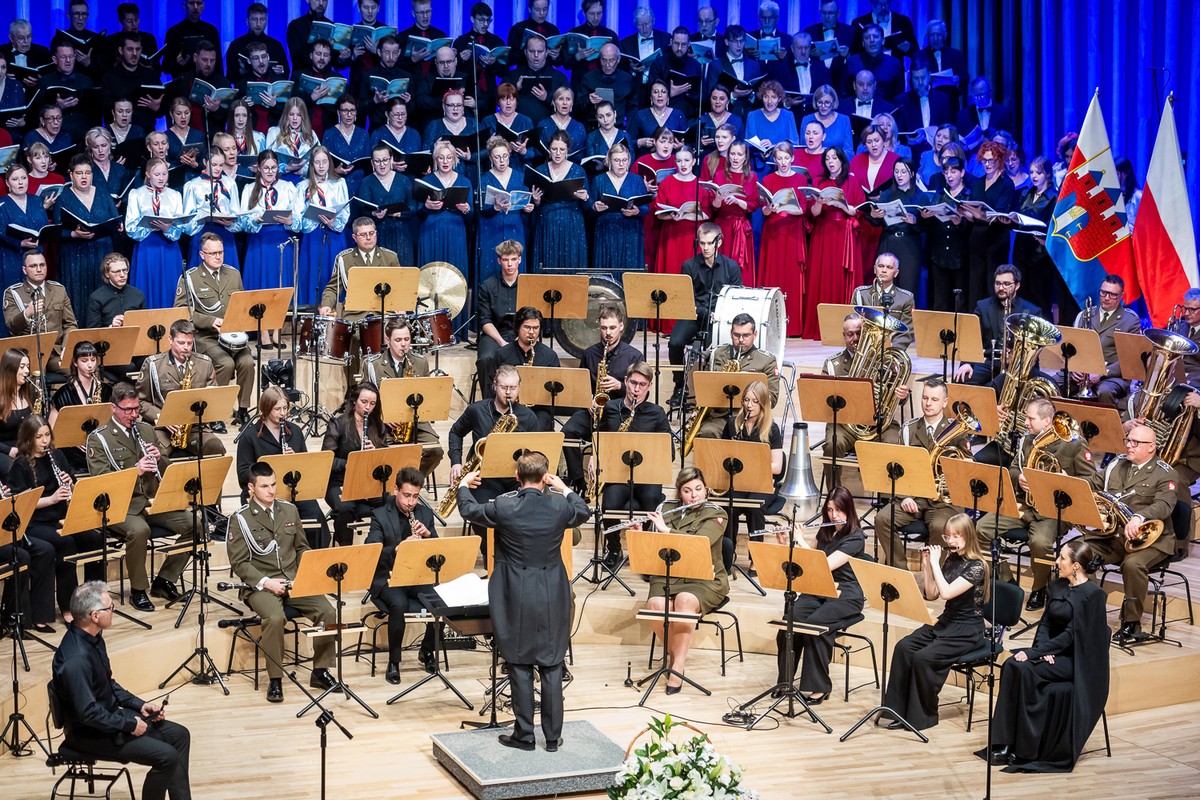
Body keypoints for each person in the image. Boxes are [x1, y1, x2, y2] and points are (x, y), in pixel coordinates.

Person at [456, 449, 587, 751]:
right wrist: (564, 488)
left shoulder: (504, 506)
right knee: (552, 663)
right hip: (552, 590)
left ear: (517, 476)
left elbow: (468, 511)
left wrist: (464, 484)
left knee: (519, 663)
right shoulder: (559, 505)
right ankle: (552, 738)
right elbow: (583, 511)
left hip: (515, 591)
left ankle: (525, 735)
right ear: (545, 478)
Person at [52, 581, 192, 800]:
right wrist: (129, 724)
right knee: (166, 756)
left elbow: (109, 684)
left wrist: (140, 705)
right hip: (90, 734)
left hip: (109, 720)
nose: (113, 611)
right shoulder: (76, 659)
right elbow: (87, 713)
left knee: (179, 735)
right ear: (94, 616)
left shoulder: (94, 638)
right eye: (110, 608)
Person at [984, 539, 1111, 772]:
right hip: (1053, 652)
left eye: (1062, 557)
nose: (1057, 561)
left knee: (1023, 666)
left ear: (1076, 566)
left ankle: (1024, 747)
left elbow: (1072, 636)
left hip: (1077, 661)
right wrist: (1042, 651)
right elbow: (1045, 624)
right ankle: (1004, 742)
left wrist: (1037, 653)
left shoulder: (1093, 595)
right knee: (1013, 665)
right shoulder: (1057, 586)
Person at [228, 463, 340, 703]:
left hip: (293, 580)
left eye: (274, 484)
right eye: (264, 486)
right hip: (260, 585)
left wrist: (304, 574)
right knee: (275, 618)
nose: (271, 491)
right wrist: (267, 582)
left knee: (328, 612)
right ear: (251, 487)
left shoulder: (289, 510)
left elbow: (301, 547)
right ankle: (275, 678)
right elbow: (239, 563)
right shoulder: (240, 519)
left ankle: (320, 671)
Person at [976, 398, 1100, 611]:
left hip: (1052, 511)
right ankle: (1006, 581)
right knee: (980, 529)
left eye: (1030, 418)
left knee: (1040, 542)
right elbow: (1014, 467)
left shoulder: (1074, 444)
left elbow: (1093, 480)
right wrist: (1019, 478)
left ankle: (1039, 588)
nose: (1025, 422)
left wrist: (1065, 479)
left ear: (1047, 421)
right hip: (1024, 504)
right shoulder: (1027, 439)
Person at [86, 382, 193, 612]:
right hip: (121, 506)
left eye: (136, 409)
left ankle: (165, 579)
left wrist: (159, 456)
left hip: (152, 501)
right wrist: (136, 470)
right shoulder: (100, 439)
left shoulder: (145, 429)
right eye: (128, 410)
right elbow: (101, 482)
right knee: (139, 530)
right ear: (113, 408)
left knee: (197, 524)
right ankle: (138, 590)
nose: (134, 415)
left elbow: (165, 467)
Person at [880, 513, 988, 731]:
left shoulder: (978, 566)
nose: (950, 542)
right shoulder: (951, 559)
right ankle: (897, 711)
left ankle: (922, 716)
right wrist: (928, 566)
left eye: (956, 536)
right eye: (947, 537)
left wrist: (936, 565)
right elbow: (931, 594)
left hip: (967, 629)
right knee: (904, 647)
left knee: (923, 657)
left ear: (968, 536)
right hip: (946, 622)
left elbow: (947, 593)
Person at [1085, 423, 1179, 643]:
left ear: (1151, 447)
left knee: (1132, 565)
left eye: (1136, 443)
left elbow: (1164, 505)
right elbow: (1094, 484)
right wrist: (1069, 481)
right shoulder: (1116, 465)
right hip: (1115, 536)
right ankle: (1089, 613)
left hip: (1152, 540)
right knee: (1078, 551)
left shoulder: (1165, 473)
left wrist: (1140, 517)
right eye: (1128, 440)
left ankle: (1131, 623)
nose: (1129, 445)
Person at [639, 467, 729, 694]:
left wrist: (666, 531)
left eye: (699, 489)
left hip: (704, 577)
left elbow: (700, 542)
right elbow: (653, 549)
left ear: (706, 490)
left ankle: (677, 666)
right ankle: (674, 656)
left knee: (685, 600)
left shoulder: (717, 513)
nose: (694, 495)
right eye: (687, 490)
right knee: (656, 606)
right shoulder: (666, 509)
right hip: (668, 573)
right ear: (680, 493)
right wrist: (641, 533)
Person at [774, 486, 865, 702]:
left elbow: (823, 565)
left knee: (815, 625)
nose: (834, 516)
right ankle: (785, 681)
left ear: (849, 510)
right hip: (819, 590)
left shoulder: (856, 538)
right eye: (831, 510)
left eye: (839, 510)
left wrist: (799, 539)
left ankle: (820, 687)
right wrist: (787, 542)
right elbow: (807, 562)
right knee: (789, 623)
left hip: (846, 594)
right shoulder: (825, 530)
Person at [9, 413, 104, 618]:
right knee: (66, 543)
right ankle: (68, 605)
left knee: (95, 539)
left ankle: (94, 599)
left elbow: (74, 486)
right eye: (39, 437)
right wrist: (51, 499)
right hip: (35, 522)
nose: (45, 441)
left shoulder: (58, 456)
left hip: (60, 516)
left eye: (47, 435)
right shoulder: (21, 464)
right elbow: (19, 504)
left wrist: (69, 482)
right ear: (28, 439)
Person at [872, 378, 967, 566]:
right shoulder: (909, 428)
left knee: (940, 527)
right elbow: (898, 467)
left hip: (942, 501)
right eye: (925, 398)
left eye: (934, 399)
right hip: (914, 496)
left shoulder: (956, 429)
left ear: (945, 402)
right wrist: (904, 496)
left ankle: (932, 578)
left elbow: (965, 466)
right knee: (882, 519)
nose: (928, 403)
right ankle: (900, 571)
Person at [590, 361, 671, 567]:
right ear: (625, 381)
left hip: (648, 475)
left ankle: (650, 553)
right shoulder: (610, 408)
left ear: (650, 386)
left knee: (651, 499)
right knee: (608, 504)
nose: (636, 389)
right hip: (618, 473)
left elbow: (668, 453)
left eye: (642, 384)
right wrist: (594, 455)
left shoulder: (657, 413)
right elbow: (600, 438)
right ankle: (614, 548)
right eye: (633, 383)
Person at [366, 465, 440, 685]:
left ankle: (426, 651)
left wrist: (428, 539)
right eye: (406, 495)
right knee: (398, 604)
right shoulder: (380, 514)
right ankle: (394, 662)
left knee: (441, 599)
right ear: (395, 489)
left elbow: (438, 555)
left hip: (416, 577)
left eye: (415, 497)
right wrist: (398, 548)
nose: (411, 502)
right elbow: (372, 550)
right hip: (387, 577)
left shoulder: (425, 514)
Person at [173, 233, 255, 426]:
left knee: (247, 362)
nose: (218, 257)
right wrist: (209, 321)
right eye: (213, 253)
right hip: (206, 337)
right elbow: (181, 311)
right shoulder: (190, 278)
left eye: (221, 252)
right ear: (202, 254)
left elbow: (241, 304)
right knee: (225, 364)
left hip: (233, 336)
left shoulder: (233, 274)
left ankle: (242, 410)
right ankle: (215, 413)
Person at [236, 386, 329, 549]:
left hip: (293, 490)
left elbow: (305, 467)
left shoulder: (295, 432)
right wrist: (273, 466)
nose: (282, 413)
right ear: (265, 409)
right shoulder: (249, 436)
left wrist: (295, 461)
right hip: (264, 492)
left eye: (285, 408)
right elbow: (243, 474)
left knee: (315, 515)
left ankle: (312, 561)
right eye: (277, 409)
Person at [667, 222, 741, 406]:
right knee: (675, 342)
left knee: (714, 350)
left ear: (719, 242)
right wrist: (705, 313)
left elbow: (736, 299)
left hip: (720, 318)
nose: (706, 248)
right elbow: (686, 300)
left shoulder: (731, 267)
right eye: (702, 243)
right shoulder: (689, 266)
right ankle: (680, 386)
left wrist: (720, 314)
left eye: (709, 243)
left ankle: (712, 390)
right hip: (695, 314)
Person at [362, 318, 445, 478]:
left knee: (436, 451)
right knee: (381, 455)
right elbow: (363, 400)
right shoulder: (373, 365)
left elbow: (428, 400)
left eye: (407, 339)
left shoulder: (420, 363)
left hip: (416, 424)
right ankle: (392, 484)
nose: (403, 344)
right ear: (388, 340)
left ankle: (410, 482)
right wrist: (383, 416)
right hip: (384, 426)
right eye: (398, 340)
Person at [137, 319, 226, 456]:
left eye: (190, 343)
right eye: (181, 343)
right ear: (170, 340)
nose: (186, 348)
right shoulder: (153, 364)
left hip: (195, 427)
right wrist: (163, 418)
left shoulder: (205, 363)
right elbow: (141, 401)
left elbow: (212, 401)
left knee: (216, 447)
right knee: (156, 454)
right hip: (162, 428)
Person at [802, 147, 863, 339]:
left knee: (839, 278)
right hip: (823, 233)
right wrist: (819, 202)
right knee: (821, 276)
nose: (830, 161)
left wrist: (843, 205)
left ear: (841, 160)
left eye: (834, 158)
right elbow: (814, 213)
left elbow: (859, 210)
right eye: (827, 158)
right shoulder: (820, 181)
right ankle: (818, 328)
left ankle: (845, 329)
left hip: (843, 234)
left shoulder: (852, 181)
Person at [721, 380, 785, 562]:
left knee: (754, 507)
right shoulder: (733, 424)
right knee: (729, 503)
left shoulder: (771, 429)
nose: (749, 405)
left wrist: (752, 469)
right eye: (746, 400)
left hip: (761, 483)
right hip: (739, 482)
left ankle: (756, 558)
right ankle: (728, 553)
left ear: (763, 403)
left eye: (754, 401)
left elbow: (777, 466)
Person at [953, 265, 1042, 388]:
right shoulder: (982, 306)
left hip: (1017, 366)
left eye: (1006, 284)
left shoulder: (1032, 311)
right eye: (997, 283)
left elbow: (1035, 347)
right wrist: (966, 363)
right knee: (960, 379)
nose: (1001, 288)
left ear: (1017, 285)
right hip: (989, 361)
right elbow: (972, 338)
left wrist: (1014, 356)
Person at [322, 381, 388, 547]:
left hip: (368, 483)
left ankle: (378, 548)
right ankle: (345, 549)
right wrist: (352, 463)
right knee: (345, 508)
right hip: (340, 481)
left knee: (391, 502)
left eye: (372, 404)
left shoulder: (378, 426)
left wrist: (376, 453)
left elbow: (386, 459)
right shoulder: (338, 424)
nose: (368, 408)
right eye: (364, 402)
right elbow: (327, 460)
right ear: (354, 401)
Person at [1060, 275, 1141, 405]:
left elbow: (1129, 359)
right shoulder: (1085, 315)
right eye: (1103, 293)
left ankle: (1106, 424)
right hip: (1082, 372)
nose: (1107, 298)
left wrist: (1101, 373)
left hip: (1111, 376)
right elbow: (1072, 347)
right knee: (1052, 382)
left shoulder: (1130, 321)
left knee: (1104, 391)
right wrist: (1073, 368)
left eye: (1112, 294)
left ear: (1121, 295)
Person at [53, 156, 120, 311]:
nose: (84, 177)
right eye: (79, 173)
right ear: (71, 175)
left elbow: (115, 218)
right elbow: (56, 231)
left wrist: (118, 226)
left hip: (102, 252)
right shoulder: (64, 197)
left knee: (104, 297)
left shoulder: (102, 193)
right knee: (78, 298)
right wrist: (73, 235)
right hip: (75, 256)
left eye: (88, 173)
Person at [759, 142, 809, 337]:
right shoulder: (769, 178)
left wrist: (786, 208)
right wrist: (770, 209)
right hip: (773, 234)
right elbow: (764, 210)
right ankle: (771, 326)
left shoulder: (800, 178)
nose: (782, 162)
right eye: (779, 158)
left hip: (792, 233)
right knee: (773, 275)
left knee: (791, 275)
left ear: (792, 158)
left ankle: (793, 326)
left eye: (786, 158)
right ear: (774, 159)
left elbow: (802, 209)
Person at [3, 249, 77, 376]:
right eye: (33, 266)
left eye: (42, 265)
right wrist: (27, 313)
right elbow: (12, 327)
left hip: (56, 351)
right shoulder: (13, 293)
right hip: (29, 353)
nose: (39, 269)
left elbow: (70, 324)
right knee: (35, 378)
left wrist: (67, 348)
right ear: (24, 270)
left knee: (80, 370)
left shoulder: (58, 289)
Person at [125, 157, 186, 309]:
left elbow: (180, 225)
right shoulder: (137, 194)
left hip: (169, 247)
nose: (161, 178)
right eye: (157, 174)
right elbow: (130, 227)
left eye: (164, 174)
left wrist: (168, 229)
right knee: (148, 285)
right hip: (147, 246)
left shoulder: (175, 195)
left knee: (170, 285)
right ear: (148, 174)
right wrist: (150, 226)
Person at [294, 146, 350, 306]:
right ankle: (312, 314)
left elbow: (345, 211)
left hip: (334, 235)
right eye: (317, 162)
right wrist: (309, 218)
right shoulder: (303, 186)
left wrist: (334, 223)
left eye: (324, 162)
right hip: (313, 237)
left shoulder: (339, 183)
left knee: (333, 275)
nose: (321, 166)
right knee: (314, 275)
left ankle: (337, 313)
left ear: (329, 163)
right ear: (312, 164)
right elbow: (297, 215)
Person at [962, 141, 1015, 308]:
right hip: (977, 240)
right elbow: (972, 209)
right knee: (975, 285)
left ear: (999, 160)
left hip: (996, 241)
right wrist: (966, 214)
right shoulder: (978, 182)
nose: (987, 164)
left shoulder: (1006, 184)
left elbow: (999, 214)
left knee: (992, 285)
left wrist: (978, 214)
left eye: (991, 160)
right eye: (984, 160)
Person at [240, 150, 301, 292]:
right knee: (259, 284)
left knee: (280, 283)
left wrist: (290, 222)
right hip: (259, 242)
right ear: (259, 168)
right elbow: (243, 222)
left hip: (282, 241)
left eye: (273, 168)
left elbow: (298, 220)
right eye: (266, 168)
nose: (270, 172)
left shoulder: (288, 187)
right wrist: (255, 221)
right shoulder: (249, 189)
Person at [488, 307, 560, 427]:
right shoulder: (502, 354)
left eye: (536, 328)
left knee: (539, 426)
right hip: (508, 406)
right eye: (527, 327)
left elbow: (556, 391)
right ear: (518, 328)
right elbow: (491, 385)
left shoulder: (550, 356)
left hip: (539, 409)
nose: (532, 332)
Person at [650, 145, 709, 288]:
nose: (683, 165)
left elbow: (707, 214)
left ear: (693, 161)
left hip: (692, 236)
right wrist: (672, 216)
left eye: (687, 160)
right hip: (671, 235)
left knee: (690, 275)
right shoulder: (667, 182)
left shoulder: (700, 184)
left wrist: (684, 216)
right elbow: (658, 213)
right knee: (670, 273)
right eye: (679, 161)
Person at [529, 130, 588, 272]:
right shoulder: (540, 170)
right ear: (549, 150)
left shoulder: (578, 171)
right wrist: (536, 200)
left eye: (562, 149)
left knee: (570, 261)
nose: (557, 153)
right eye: (554, 149)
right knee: (548, 260)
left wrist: (585, 197)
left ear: (567, 150)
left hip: (572, 223)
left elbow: (588, 204)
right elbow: (535, 204)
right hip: (547, 221)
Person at [48, 340, 112, 470]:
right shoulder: (62, 394)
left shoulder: (107, 390)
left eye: (93, 360)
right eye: (84, 360)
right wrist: (73, 439)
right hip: (73, 450)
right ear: (75, 362)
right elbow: (52, 431)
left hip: (103, 445)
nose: (90, 365)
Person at [476, 136, 532, 282]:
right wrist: (495, 207)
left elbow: (525, 203)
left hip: (514, 226)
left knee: (514, 269)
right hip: (491, 228)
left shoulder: (520, 177)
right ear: (490, 158)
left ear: (509, 155)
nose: (501, 161)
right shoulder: (484, 179)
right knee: (491, 267)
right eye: (497, 157)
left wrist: (527, 208)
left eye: (505, 156)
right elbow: (481, 210)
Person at [921, 155, 973, 312]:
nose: (949, 176)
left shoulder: (969, 196)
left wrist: (961, 223)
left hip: (961, 256)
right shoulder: (939, 195)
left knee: (960, 301)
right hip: (939, 255)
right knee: (940, 302)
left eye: (953, 171)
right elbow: (928, 225)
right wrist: (925, 216)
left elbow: (974, 228)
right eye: (946, 172)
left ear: (962, 173)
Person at [416, 140, 472, 285]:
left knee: (455, 274)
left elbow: (472, 216)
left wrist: (466, 210)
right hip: (431, 231)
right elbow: (418, 215)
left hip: (456, 231)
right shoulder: (426, 180)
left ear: (454, 159)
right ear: (436, 160)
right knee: (432, 274)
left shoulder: (464, 181)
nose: (445, 161)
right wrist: (427, 207)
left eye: (449, 157)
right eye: (441, 157)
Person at [865, 158, 923, 297]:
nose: (899, 175)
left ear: (912, 174)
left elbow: (928, 225)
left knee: (908, 289)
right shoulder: (886, 194)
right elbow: (877, 222)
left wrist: (914, 221)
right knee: (884, 287)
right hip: (888, 242)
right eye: (896, 171)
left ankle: (906, 318)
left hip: (909, 245)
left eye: (903, 172)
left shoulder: (920, 196)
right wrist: (874, 215)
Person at [706, 139, 760, 285]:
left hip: (741, 228)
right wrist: (718, 199)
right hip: (722, 226)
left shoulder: (751, 177)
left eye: (739, 154)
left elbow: (754, 204)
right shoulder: (719, 175)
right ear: (728, 156)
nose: (735, 158)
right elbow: (714, 206)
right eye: (733, 154)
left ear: (745, 157)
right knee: (720, 267)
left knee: (740, 268)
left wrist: (737, 201)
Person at [849, 124, 899, 278]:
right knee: (862, 265)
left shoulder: (895, 159)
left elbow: (900, 187)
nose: (873, 145)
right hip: (863, 220)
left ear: (884, 141)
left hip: (885, 222)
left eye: (876, 140)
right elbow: (851, 186)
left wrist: (882, 197)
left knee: (881, 266)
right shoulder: (857, 160)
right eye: (869, 142)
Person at [590, 142, 648, 271]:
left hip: (630, 230)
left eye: (624, 160)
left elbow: (645, 208)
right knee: (607, 267)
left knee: (629, 268)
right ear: (609, 161)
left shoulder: (637, 180)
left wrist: (637, 211)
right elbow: (589, 206)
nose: (621, 164)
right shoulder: (599, 180)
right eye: (617, 160)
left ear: (629, 161)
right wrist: (595, 206)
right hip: (606, 230)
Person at [354, 142, 415, 265]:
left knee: (402, 273)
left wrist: (399, 214)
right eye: (377, 161)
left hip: (401, 235)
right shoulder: (366, 182)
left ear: (392, 159)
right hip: (378, 234)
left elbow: (414, 207)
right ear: (372, 163)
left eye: (385, 160)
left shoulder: (404, 180)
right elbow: (361, 210)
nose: (382, 165)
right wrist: (374, 214)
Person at [181, 150, 241, 273]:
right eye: (214, 165)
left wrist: (231, 222)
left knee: (227, 275)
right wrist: (202, 217)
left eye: (221, 165)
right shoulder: (193, 185)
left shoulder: (230, 183)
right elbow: (187, 220)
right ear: (204, 162)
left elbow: (237, 213)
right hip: (202, 234)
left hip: (225, 235)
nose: (218, 169)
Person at [475, 239, 523, 390]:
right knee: (485, 359)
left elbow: (532, 317)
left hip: (520, 334)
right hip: (495, 335)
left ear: (519, 260)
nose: (510, 264)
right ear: (499, 261)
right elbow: (485, 320)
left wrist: (519, 339)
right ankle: (489, 406)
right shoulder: (487, 286)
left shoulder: (528, 284)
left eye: (513, 259)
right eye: (505, 260)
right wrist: (502, 343)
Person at [0, 163, 50, 302]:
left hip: (36, 256)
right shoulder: (2, 204)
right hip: (11, 257)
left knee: (36, 298)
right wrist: (20, 242)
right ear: (7, 182)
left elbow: (44, 225)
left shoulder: (36, 200)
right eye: (15, 179)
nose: (21, 182)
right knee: (14, 298)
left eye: (23, 178)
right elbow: (1, 231)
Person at [850, 252, 915, 349]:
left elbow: (907, 332)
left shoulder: (906, 298)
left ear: (896, 273)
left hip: (891, 352)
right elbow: (851, 324)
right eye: (881, 266)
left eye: (889, 267)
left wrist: (891, 350)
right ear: (875, 269)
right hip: (863, 349)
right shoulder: (860, 293)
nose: (884, 270)